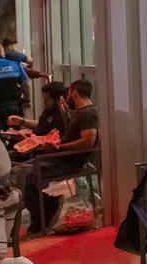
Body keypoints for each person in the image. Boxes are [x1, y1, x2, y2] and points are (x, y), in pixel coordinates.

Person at [17, 80, 99, 231]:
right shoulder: (79, 113)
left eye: (69, 93)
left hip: (67, 161)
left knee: (25, 176)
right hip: (60, 156)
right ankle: (47, 206)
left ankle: (42, 219)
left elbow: (87, 142)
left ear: (74, 93)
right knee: (23, 171)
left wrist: (58, 147)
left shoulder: (88, 114)